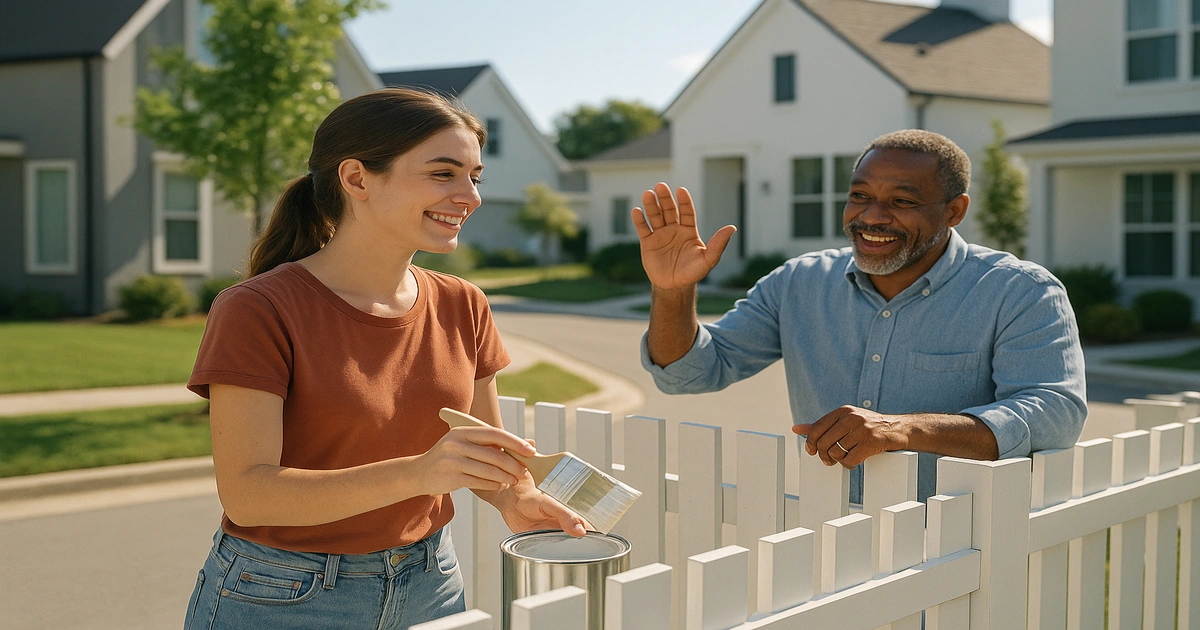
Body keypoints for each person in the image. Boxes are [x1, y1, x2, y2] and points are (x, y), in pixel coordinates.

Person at [182, 88, 586, 630]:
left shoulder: (463, 303)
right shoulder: (257, 309)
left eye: (474, 176)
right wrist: (418, 474)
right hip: (283, 595)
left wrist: (514, 499)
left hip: (430, 581)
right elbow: (249, 494)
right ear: (357, 180)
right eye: (444, 173)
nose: (469, 196)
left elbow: (481, 453)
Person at [635, 129, 1086, 502]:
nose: (873, 216)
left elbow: (1055, 413)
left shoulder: (1019, 290)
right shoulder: (798, 283)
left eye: (902, 202)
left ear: (954, 211)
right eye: (860, 196)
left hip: (959, 540)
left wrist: (902, 429)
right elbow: (688, 374)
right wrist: (672, 291)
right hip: (826, 527)